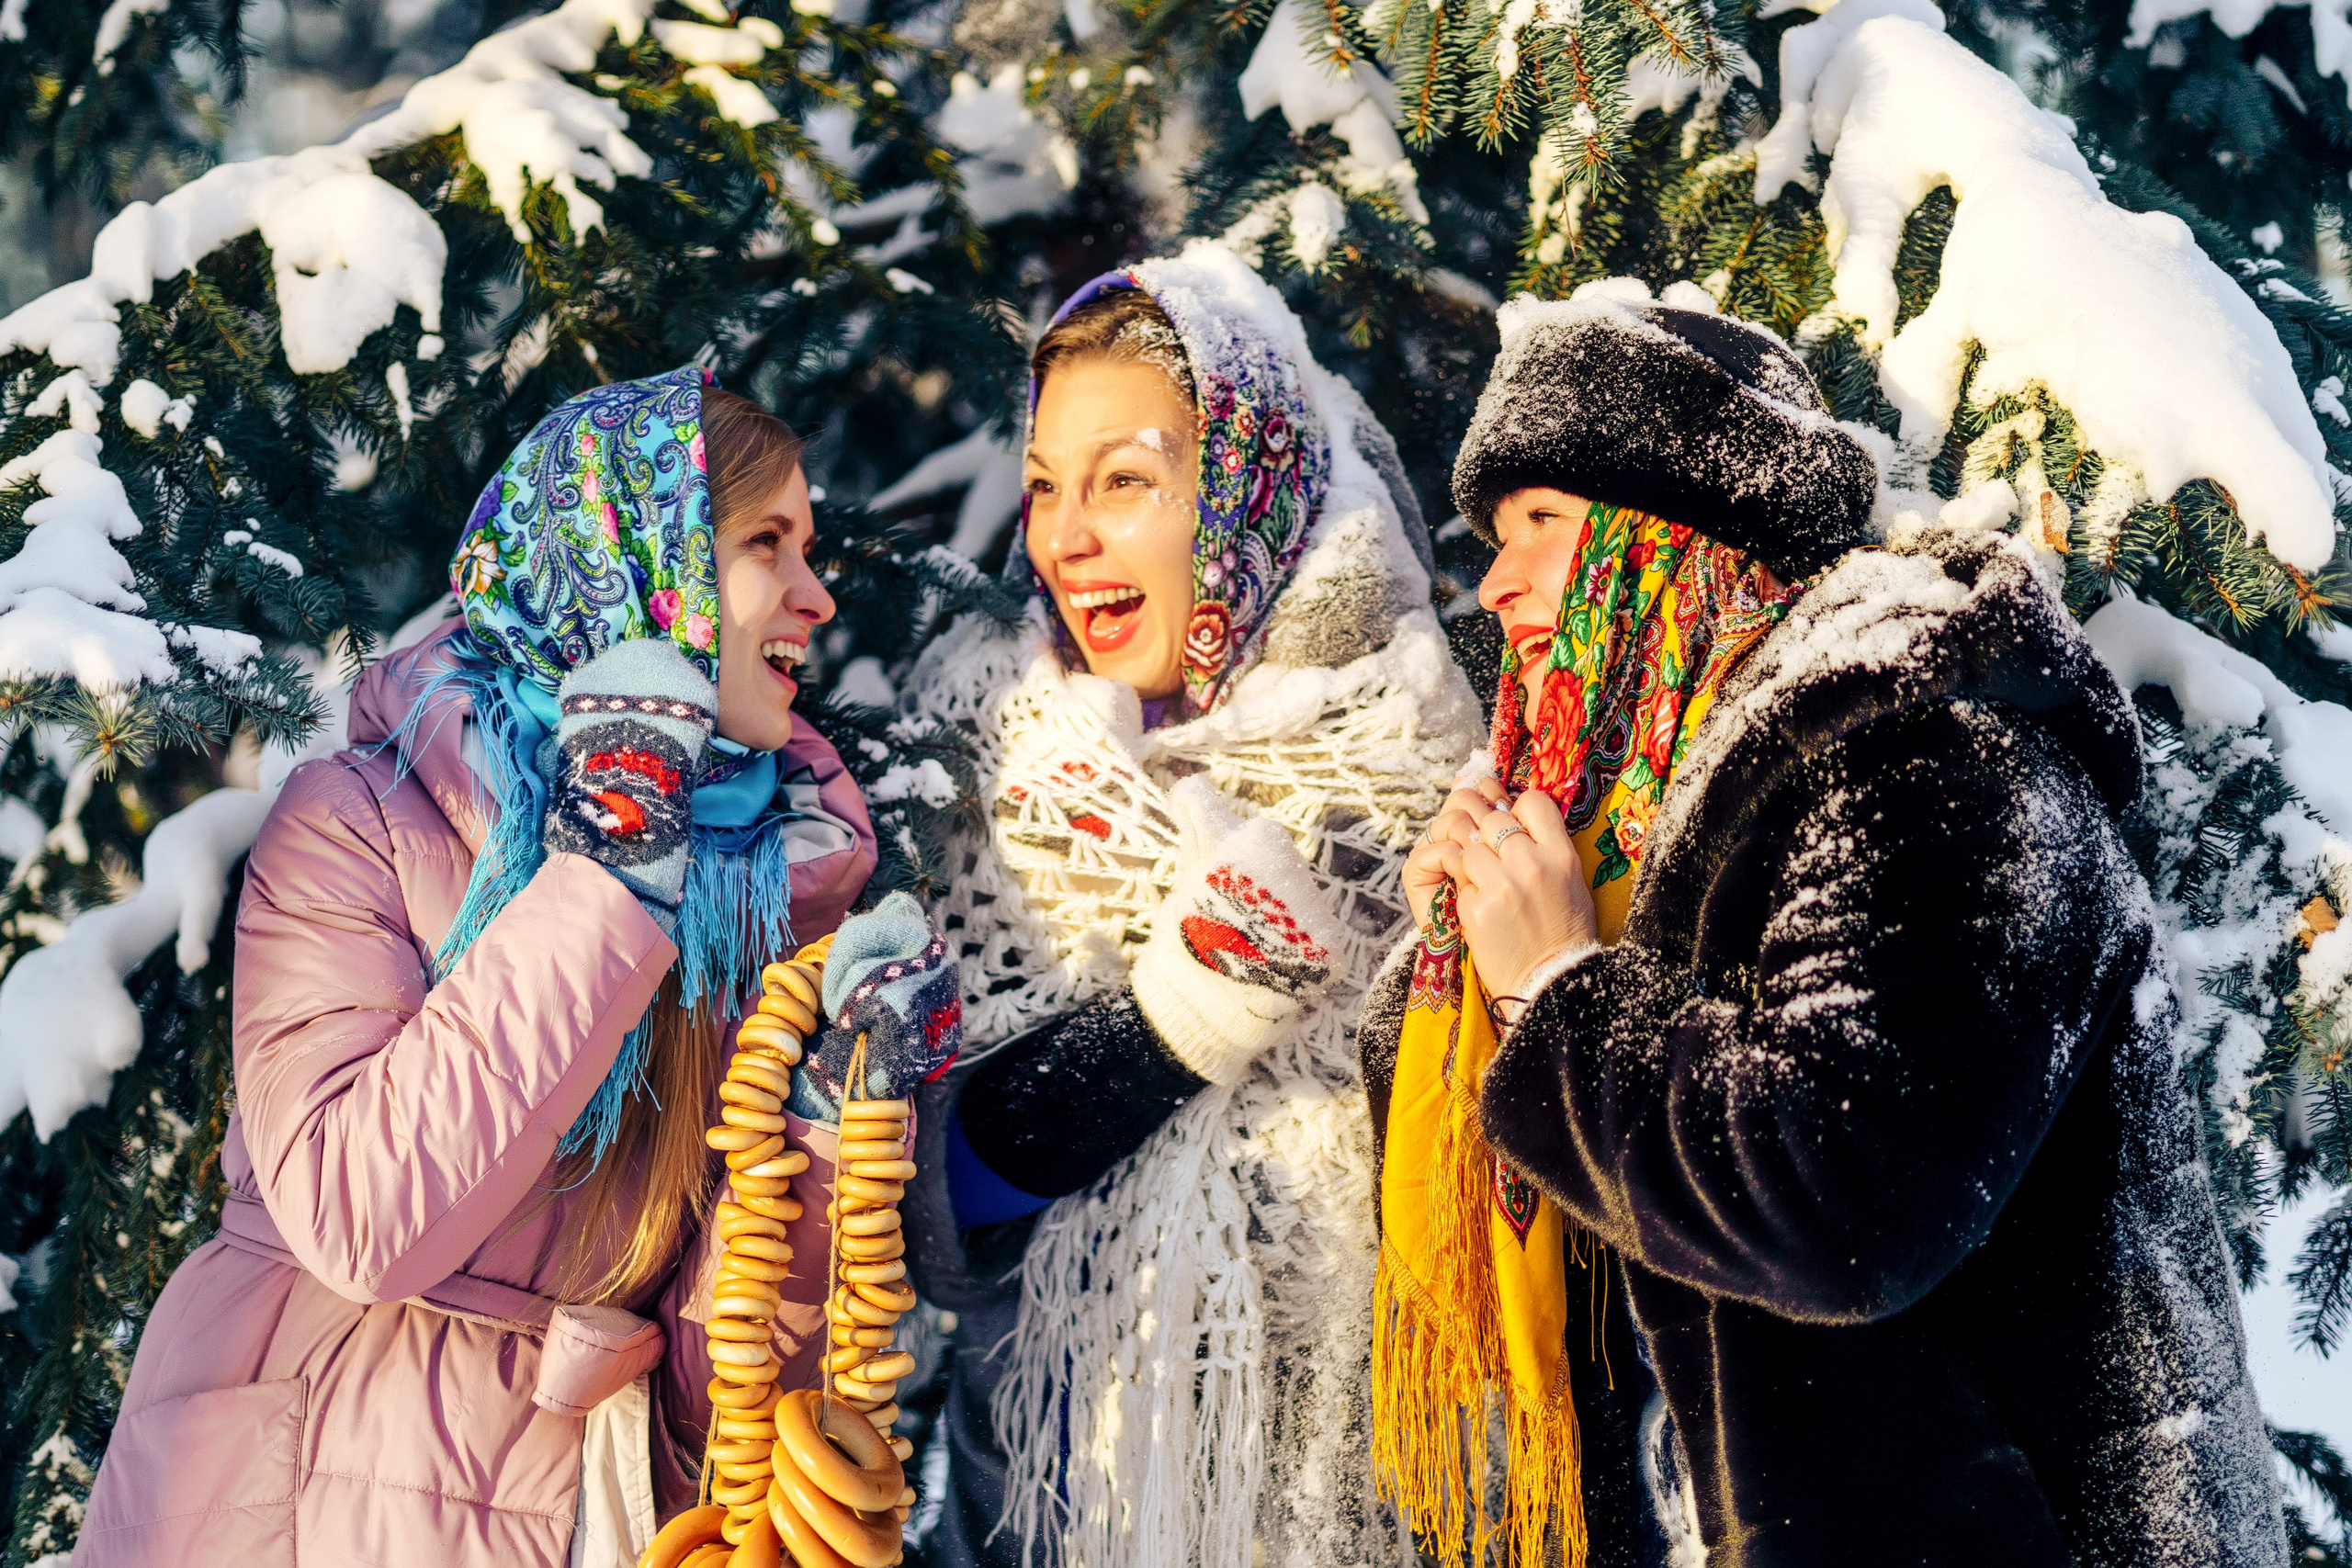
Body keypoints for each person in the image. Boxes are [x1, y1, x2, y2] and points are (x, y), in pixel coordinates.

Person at [1372, 291, 2290, 1566]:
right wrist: (1461, 965)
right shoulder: (1637, 820)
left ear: (1682, 532)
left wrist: (1557, 991)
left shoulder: (1930, 750)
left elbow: (1846, 1201)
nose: (1494, 582)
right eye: (1492, 535)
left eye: (1543, 523)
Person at [72, 369, 895, 1566]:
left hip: (563, 1513)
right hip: (292, 1497)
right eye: (767, 543)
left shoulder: (764, 903)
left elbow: (723, 1422)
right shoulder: (356, 816)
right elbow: (361, 1218)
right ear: (636, 566)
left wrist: (820, 1136)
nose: (817, 597)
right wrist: (612, 869)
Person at [888, 241, 1483, 1568]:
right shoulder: (992, 763)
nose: (1066, 537)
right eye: (1046, 485)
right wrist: (1171, 1025)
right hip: (1047, 1509)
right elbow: (929, 1202)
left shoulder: (1416, 773)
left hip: (1360, 1513)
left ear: (1245, 489)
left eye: (1125, 482)